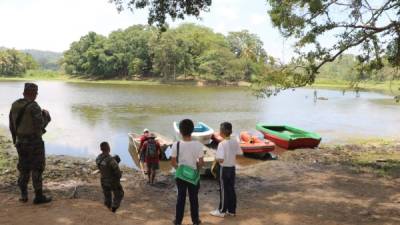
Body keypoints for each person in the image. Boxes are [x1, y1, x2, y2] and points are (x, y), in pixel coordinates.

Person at [9, 83, 52, 204]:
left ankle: (23, 195)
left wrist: (15, 140)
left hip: (20, 142)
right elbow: (39, 126)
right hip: (34, 143)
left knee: (23, 168)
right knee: (37, 168)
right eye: (36, 93)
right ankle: (38, 196)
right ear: (34, 94)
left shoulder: (15, 104)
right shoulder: (34, 106)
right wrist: (47, 117)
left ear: (24, 93)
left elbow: (12, 125)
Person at [171, 119, 204, 225]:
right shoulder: (198, 145)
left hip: (180, 177)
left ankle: (178, 221)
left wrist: (179, 169)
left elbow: (173, 162)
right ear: (192, 130)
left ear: (180, 131)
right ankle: (195, 220)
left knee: (180, 199)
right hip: (194, 176)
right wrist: (196, 170)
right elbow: (201, 163)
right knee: (194, 199)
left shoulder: (176, 144)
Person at [210, 122, 243, 218]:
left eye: (220, 129)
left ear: (222, 132)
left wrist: (215, 158)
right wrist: (231, 155)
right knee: (231, 189)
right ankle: (232, 210)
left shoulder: (222, 144)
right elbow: (240, 153)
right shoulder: (235, 141)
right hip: (232, 168)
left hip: (224, 169)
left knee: (223, 190)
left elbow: (221, 159)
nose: (219, 131)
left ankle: (222, 211)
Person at [96, 142, 124, 213]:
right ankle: (114, 208)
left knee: (107, 196)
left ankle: (107, 209)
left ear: (101, 149)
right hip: (112, 182)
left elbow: (103, 167)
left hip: (103, 180)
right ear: (109, 148)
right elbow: (118, 174)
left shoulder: (98, 158)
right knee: (119, 194)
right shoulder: (112, 160)